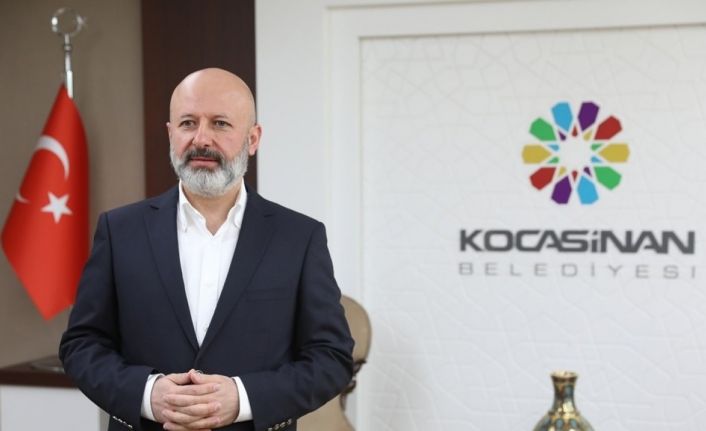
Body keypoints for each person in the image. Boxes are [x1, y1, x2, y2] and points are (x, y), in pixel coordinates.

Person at [59, 68, 354, 431]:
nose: (201, 138)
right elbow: (82, 344)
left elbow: (332, 357)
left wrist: (244, 398)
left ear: (253, 139)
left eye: (220, 123)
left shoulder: (300, 237)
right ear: (171, 134)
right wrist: (146, 394)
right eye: (188, 123)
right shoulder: (119, 231)